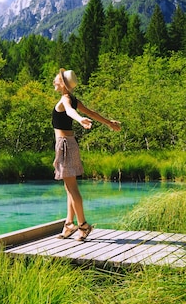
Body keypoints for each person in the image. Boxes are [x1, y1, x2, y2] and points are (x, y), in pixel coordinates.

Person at [53, 68, 121, 241]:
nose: (54, 81)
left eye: (56, 79)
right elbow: (91, 113)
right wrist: (108, 123)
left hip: (65, 145)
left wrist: (79, 120)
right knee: (69, 187)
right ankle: (69, 224)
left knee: (71, 188)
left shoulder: (66, 99)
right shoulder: (74, 99)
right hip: (70, 144)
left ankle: (83, 225)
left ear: (63, 84)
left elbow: (69, 111)